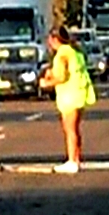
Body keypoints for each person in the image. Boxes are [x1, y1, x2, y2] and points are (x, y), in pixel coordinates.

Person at [40, 26, 96, 174]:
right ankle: (76, 159)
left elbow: (62, 77)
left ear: (54, 39)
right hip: (79, 93)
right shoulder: (75, 52)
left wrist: (46, 83)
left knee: (70, 130)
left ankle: (72, 161)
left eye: (50, 39)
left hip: (69, 96)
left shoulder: (62, 55)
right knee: (75, 130)